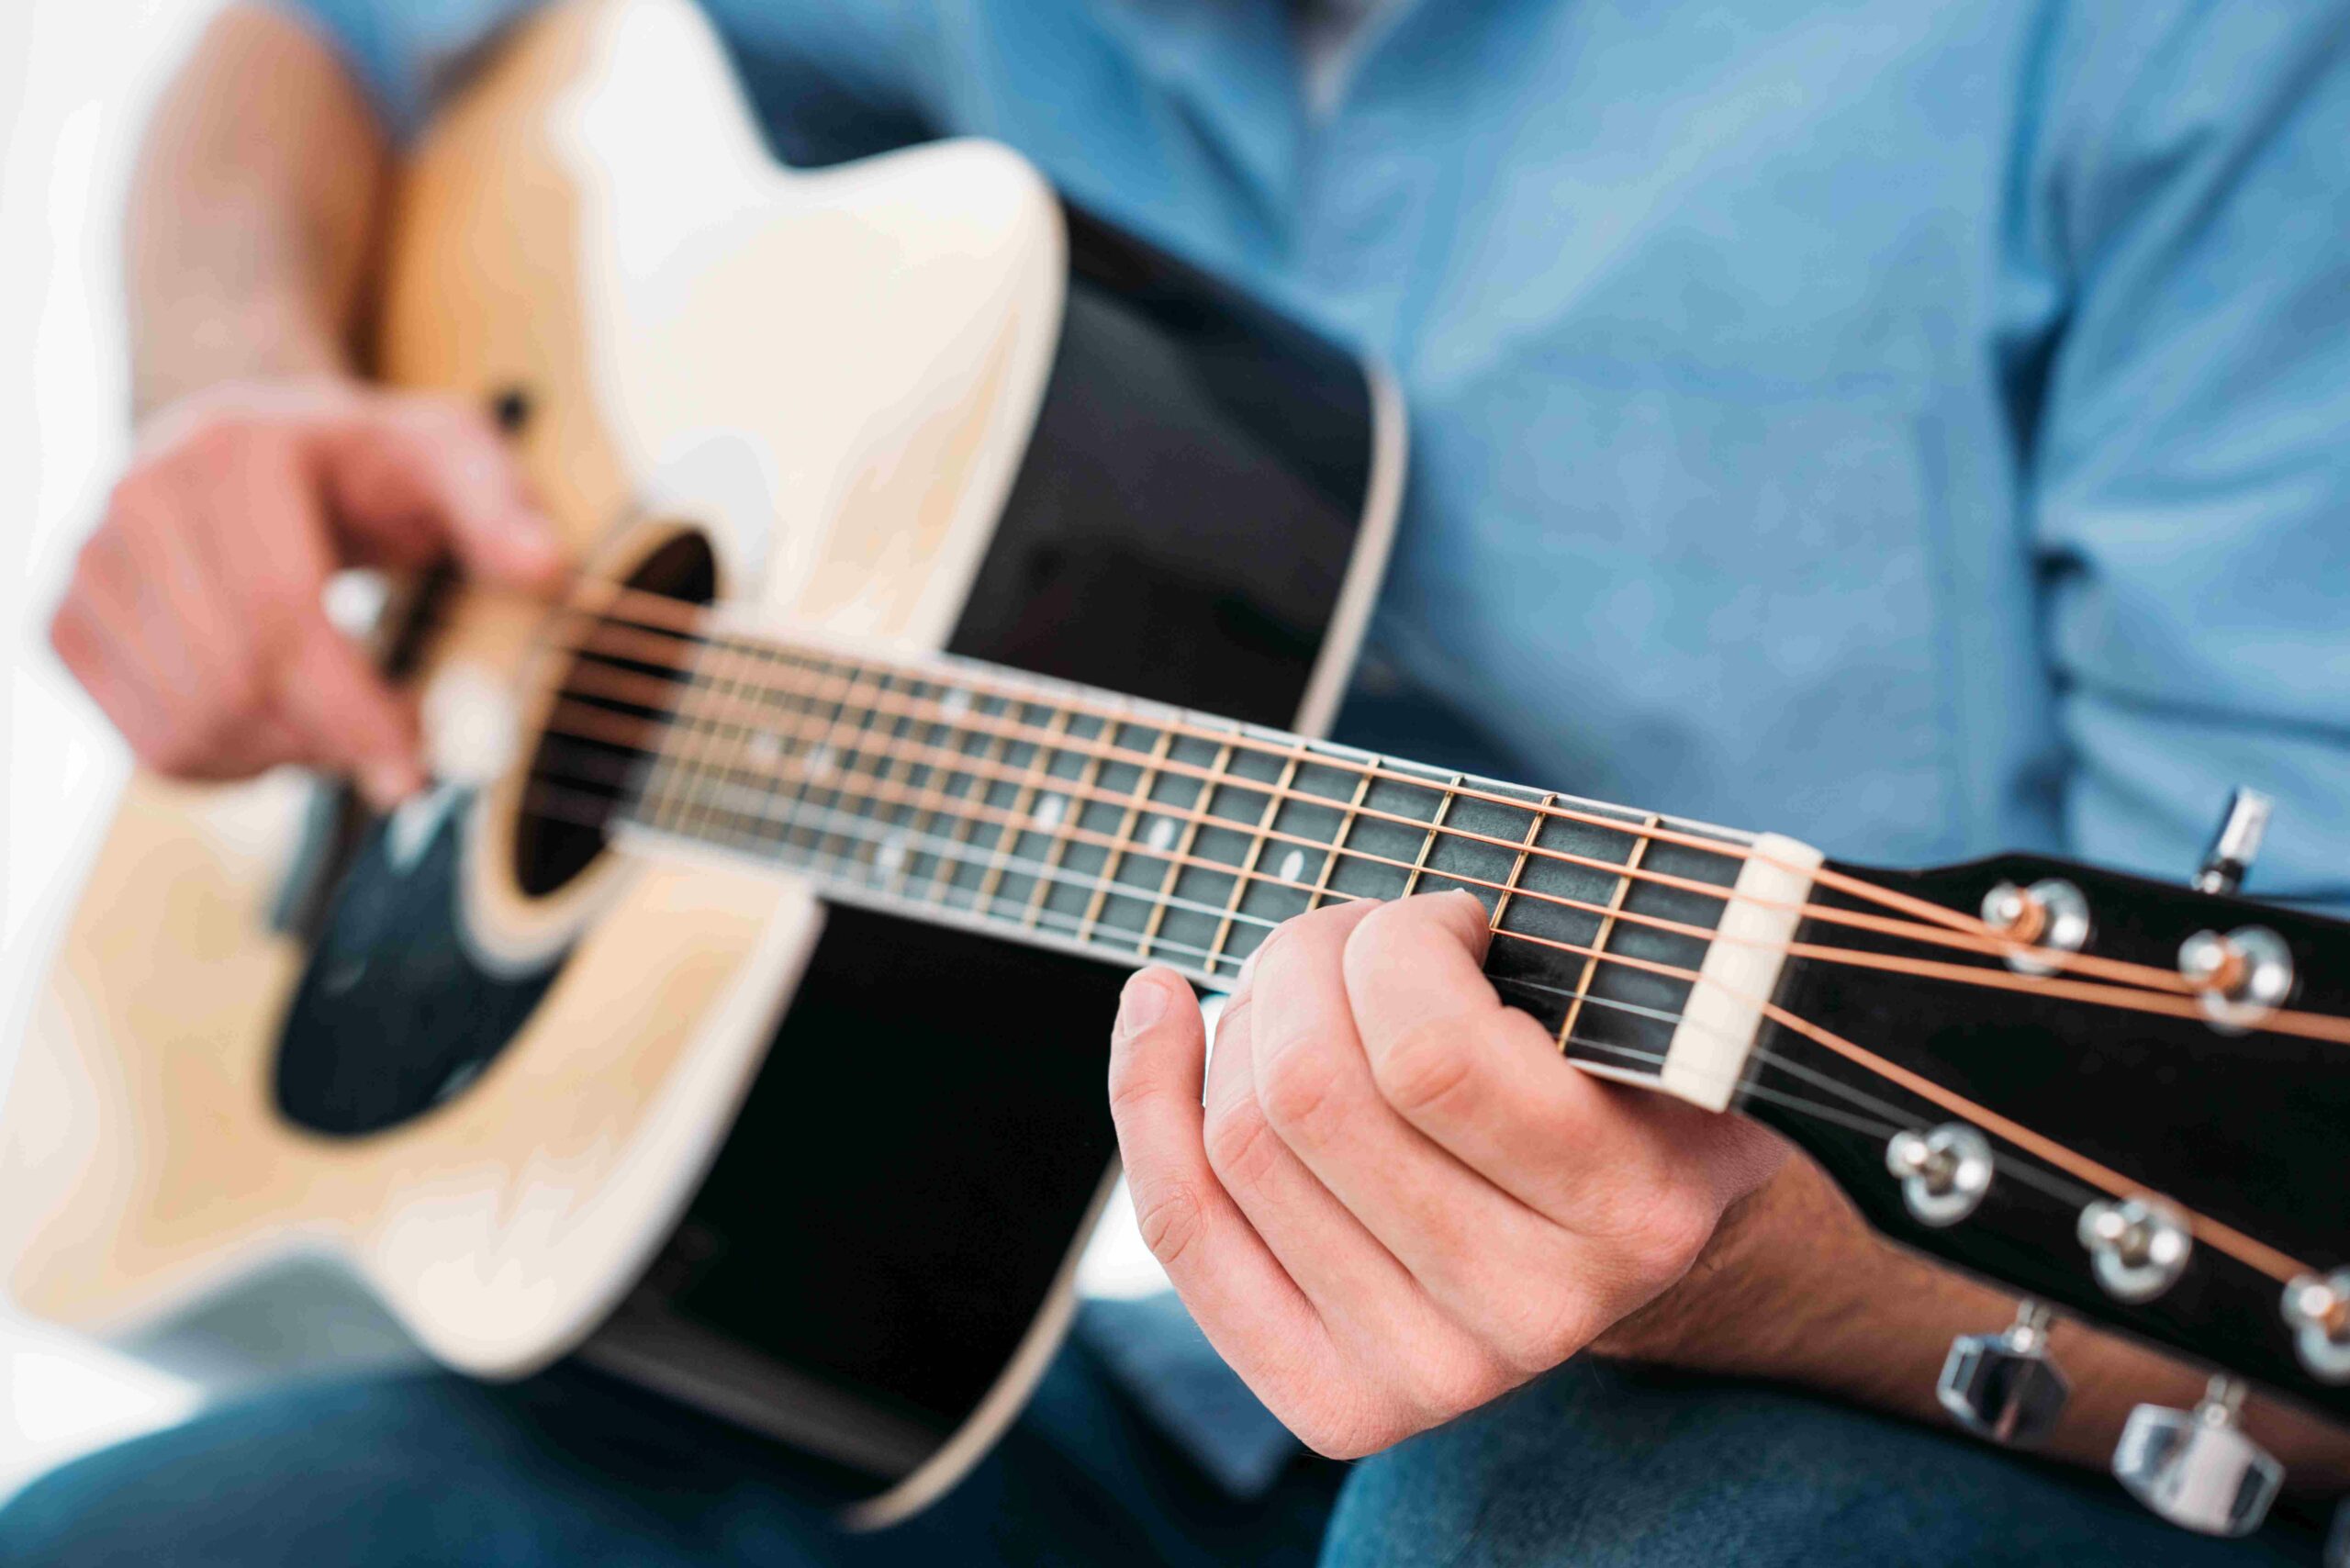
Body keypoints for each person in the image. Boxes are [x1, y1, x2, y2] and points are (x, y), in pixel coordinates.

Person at [11, 0, 2350, 1562]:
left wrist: (1741, 1265)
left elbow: (2282, 1227)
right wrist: (225, 388)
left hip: (1873, 1361)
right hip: (1057, 1366)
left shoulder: (2183, 55)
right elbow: (310, 49)